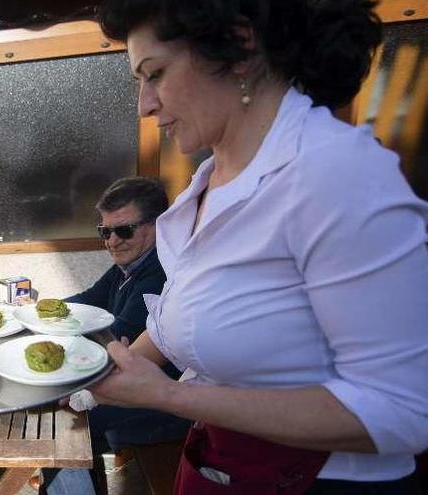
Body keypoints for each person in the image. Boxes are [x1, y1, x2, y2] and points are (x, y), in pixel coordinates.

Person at [89, 0, 428, 493]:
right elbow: (181, 324)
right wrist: (93, 375)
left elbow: (404, 411)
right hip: (223, 467)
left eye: (155, 73)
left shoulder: (334, 174)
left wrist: (168, 397)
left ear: (239, 48)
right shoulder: (206, 183)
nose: (145, 104)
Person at [41, 177, 190, 495]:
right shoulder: (130, 266)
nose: (111, 241)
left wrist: (44, 342)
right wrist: (33, 314)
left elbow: (117, 335)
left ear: (158, 225)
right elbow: (87, 299)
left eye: (124, 230)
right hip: (125, 387)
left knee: (58, 427)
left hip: (160, 408)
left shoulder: (160, 273)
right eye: (104, 231)